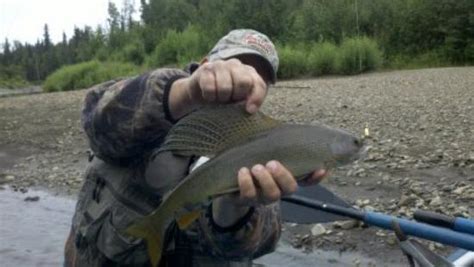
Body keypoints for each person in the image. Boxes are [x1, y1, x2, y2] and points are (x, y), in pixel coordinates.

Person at [64, 29, 327, 267]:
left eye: (257, 79)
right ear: (204, 66)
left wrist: (234, 207)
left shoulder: (263, 146)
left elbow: (255, 245)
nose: (243, 83)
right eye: (236, 68)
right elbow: (97, 118)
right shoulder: (151, 102)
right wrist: (187, 93)